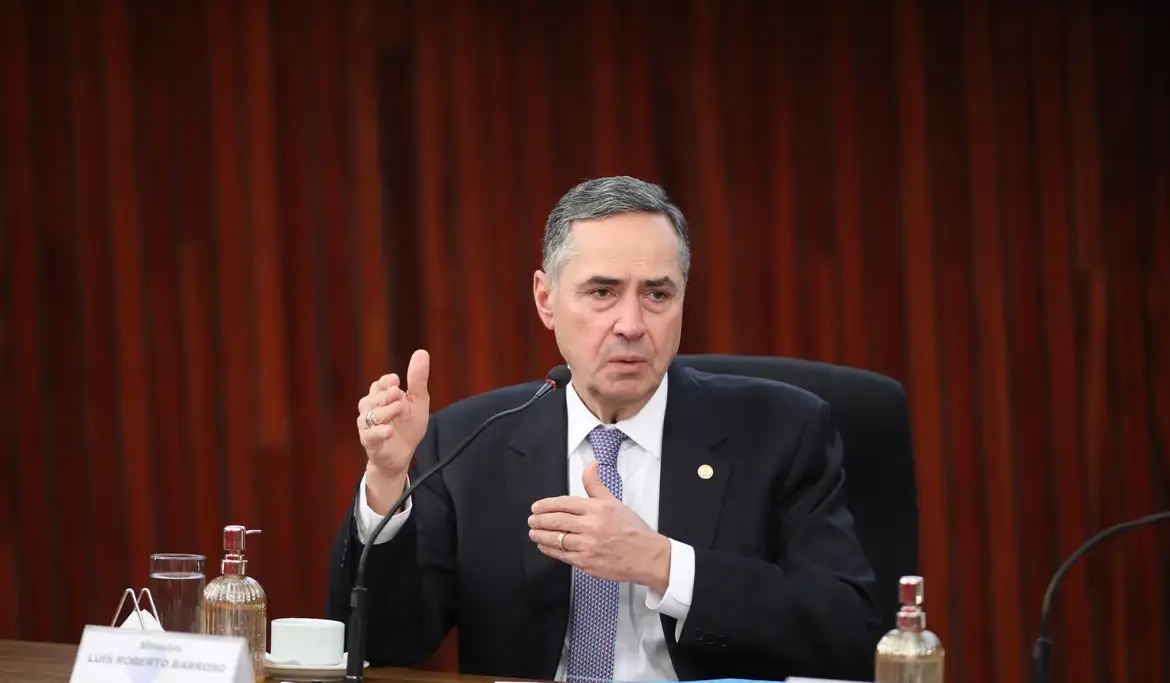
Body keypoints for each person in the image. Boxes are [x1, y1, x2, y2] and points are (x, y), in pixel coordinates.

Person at [325, 176, 880, 682]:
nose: (632, 325)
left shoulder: (780, 431)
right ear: (546, 299)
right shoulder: (471, 441)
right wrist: (387, 481)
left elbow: (847, 634)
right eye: (602, 292)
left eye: (657, 294)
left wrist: (663, 564)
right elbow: (383, 646)